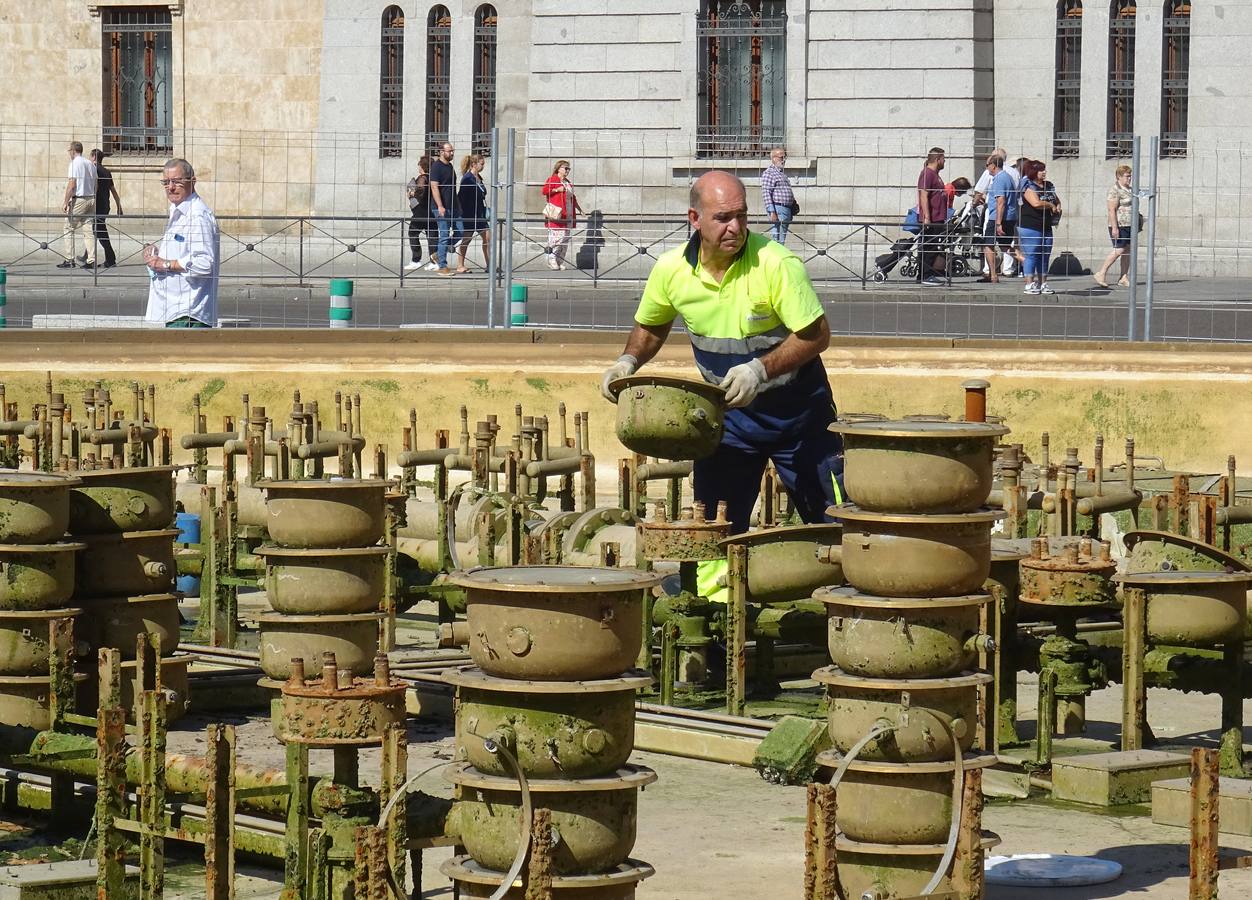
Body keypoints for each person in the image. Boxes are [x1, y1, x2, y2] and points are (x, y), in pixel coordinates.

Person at [599, 171, 844, 544]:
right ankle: (713, 602)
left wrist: (759, 370)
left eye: (742, 216)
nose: (736, 227)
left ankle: (844, 598)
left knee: (837, 525)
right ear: (694, 219)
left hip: (799, 420)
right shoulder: (671, 270)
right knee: (714, 529)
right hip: (728, 422)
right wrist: (627, 362)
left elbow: (817, 335)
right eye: (723, 218)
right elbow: (651, 327)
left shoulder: (776, 264)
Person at [143, 158, 219, 327]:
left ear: (192, 181)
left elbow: (205, 264)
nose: (170, 187)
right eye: (166, 182)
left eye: (177, 182)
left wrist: (165, 264)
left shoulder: (197, 216)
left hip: (188, 314)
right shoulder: (178, 210)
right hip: (175, 310)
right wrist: (157, 254)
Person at [1017, 159, 1062, 296]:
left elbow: (1056, 199)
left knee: (1045, 255)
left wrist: (1058, 205)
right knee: (1032, 255)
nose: (1044, 172)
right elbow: (1036, 203)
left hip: (1046, 225)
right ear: (1033, 171)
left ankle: (1043, 283)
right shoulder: (1028, 185)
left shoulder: (1049, 185)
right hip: (1030, 225)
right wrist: (1051, 206)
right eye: (1041, 170)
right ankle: (1029, 283)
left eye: (1044, 170)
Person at [979, 154, 1018, 285]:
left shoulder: (999, 179)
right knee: (1005, 246)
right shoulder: (1008, 177)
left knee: (988, 245)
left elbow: (1000, 201)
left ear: (993, 165)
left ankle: (993, 275)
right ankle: (1027, 263)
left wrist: (998, 223)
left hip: (997, 217)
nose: (986, 168)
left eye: (987, 165)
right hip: (1009, 216)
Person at [1094, 164, 1134, 288]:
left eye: (1130, 176)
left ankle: (1123, 276)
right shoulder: (1114, 190)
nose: (1129, 178)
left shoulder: (1130, 189)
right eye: (1127, 176)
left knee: (1127, 251)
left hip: (1129, 224)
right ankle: (1101, 272)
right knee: (1119, 249)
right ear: (1119, 177)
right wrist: (1115, 227)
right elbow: (1112, 209)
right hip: (1119, 225)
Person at [58, 141, 96, 269]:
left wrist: (65, 201)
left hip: (79, 199)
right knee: (88, 230)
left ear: (73, 151)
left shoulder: (74, 163)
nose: (69, 153)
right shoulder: (89, 163)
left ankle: (69, 259)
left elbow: (72, 184)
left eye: (70, 151)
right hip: (91, 198)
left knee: (68, 227)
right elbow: (97, 182)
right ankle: (91, 259)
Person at [915, 147, 948, 285]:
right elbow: (924, 194)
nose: (945, 161)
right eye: (943, 159)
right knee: (929, 247)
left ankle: (925, 275)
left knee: (933, 246)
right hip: (932, 218)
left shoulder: (935, 174)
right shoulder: (927, 173)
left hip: (938, 217)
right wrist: (927, 217)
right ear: (937, 159)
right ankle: (925, 275)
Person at [542, 160, 581, 271]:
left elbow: (572, 197)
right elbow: (544, 191)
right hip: (556, 213)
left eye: (569, 169)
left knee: (565, 238)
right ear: (559, 168)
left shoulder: (568, 182)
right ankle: (551, 258)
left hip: (568, 213)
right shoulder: (552, 179)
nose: (567, 170)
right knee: (557, 237)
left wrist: (579, 209)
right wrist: (556, 189)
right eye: (565, 168)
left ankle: (559, 260)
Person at [456, 154, 490, 274]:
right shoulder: (467, 178)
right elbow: (461, 197)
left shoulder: (478, 177)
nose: (483, 166)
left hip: (480, 213)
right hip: (469, 214)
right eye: (482, 163)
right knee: (466, 239)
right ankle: (460, 265)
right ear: (474, 164)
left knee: (487, 238)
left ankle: (489, 265)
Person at [429, 142, 459, 276]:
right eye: (449, 151)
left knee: (461, 231)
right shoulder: (436, 167)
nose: (452, 153)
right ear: (441, 152)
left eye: (452, 151)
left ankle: (438, 254)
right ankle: (442, 266)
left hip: (453, 206)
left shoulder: (450, 166)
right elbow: (434, 187)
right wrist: (440, 206)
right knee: (445, 235)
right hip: (440, 207)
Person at [89, 149, 122, 269]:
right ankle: (87, 255)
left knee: (100, 231)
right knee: (95, 229)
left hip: (97, 205)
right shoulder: (107, 172)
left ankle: (110, 259)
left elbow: (94, 187)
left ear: (93, 157)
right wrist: (119, 206)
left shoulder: (93, 169)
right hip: (105, 205)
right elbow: (113, 191)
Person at [761, 147, 797, 244]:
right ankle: (775, 258)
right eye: (781, 157)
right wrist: (772, 211)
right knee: (777, 238)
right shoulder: (769, 173)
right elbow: (766, 193)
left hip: (786, 209)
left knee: (782, 237)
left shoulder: (782, 174)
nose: (784, 160)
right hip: (778, 209)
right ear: (774, 158)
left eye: (785, 157)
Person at [405, 156, 434, 272]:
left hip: (420, 211)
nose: (418, 166)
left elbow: (421, 190)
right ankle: (434, 262)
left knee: (412, 233)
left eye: (419, 164)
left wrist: (412, 193)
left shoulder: (422, 178)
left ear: (422, 166)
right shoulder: (434, 178)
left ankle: (416, 260)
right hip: (431, 211)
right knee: (432, 237)